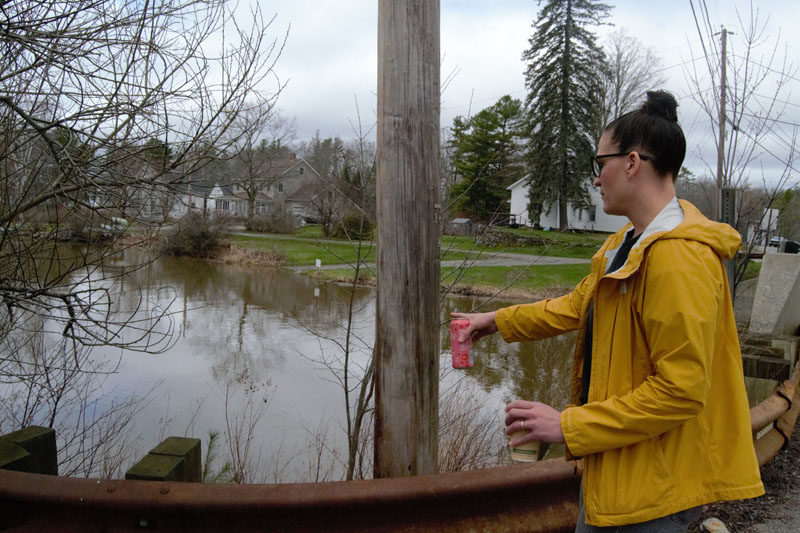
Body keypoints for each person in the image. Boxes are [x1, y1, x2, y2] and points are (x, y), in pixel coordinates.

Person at [453, 90, 764, 531]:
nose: (597, 178)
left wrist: (566, 426)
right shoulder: (627, 244)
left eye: (600, 164)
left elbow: (681, 391)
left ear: (632, 163)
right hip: (619, 472)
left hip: (655, 490)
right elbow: (577, 306)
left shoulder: (679, 259)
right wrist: (496, 321)